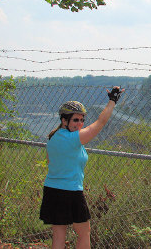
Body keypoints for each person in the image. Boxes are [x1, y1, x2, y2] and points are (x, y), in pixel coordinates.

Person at [39, 86, 124, 249]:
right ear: (64, 121)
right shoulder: (73, 139)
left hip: (52, 190)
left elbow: (51, 163)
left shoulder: (53, 138)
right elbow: (100, 123)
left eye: (82, 120)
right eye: (75, 120)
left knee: (58, 235)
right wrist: (112, 101)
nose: (80, 124)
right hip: (70, 191)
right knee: (84, 233)